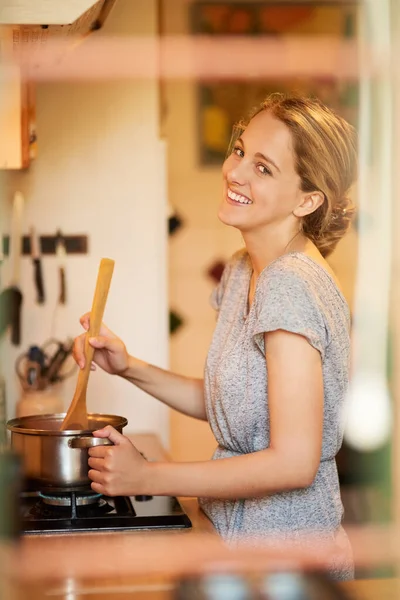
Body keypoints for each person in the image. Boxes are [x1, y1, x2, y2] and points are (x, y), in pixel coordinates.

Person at [73, 93, 357, 580]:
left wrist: (149, 476)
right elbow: (236, 406)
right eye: (241, 150)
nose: (237, 171)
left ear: (308, 200)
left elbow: (293, 463)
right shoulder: (244, 268)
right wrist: (129, 367)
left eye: (264, 168)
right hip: (232, 539)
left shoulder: (291, 285)